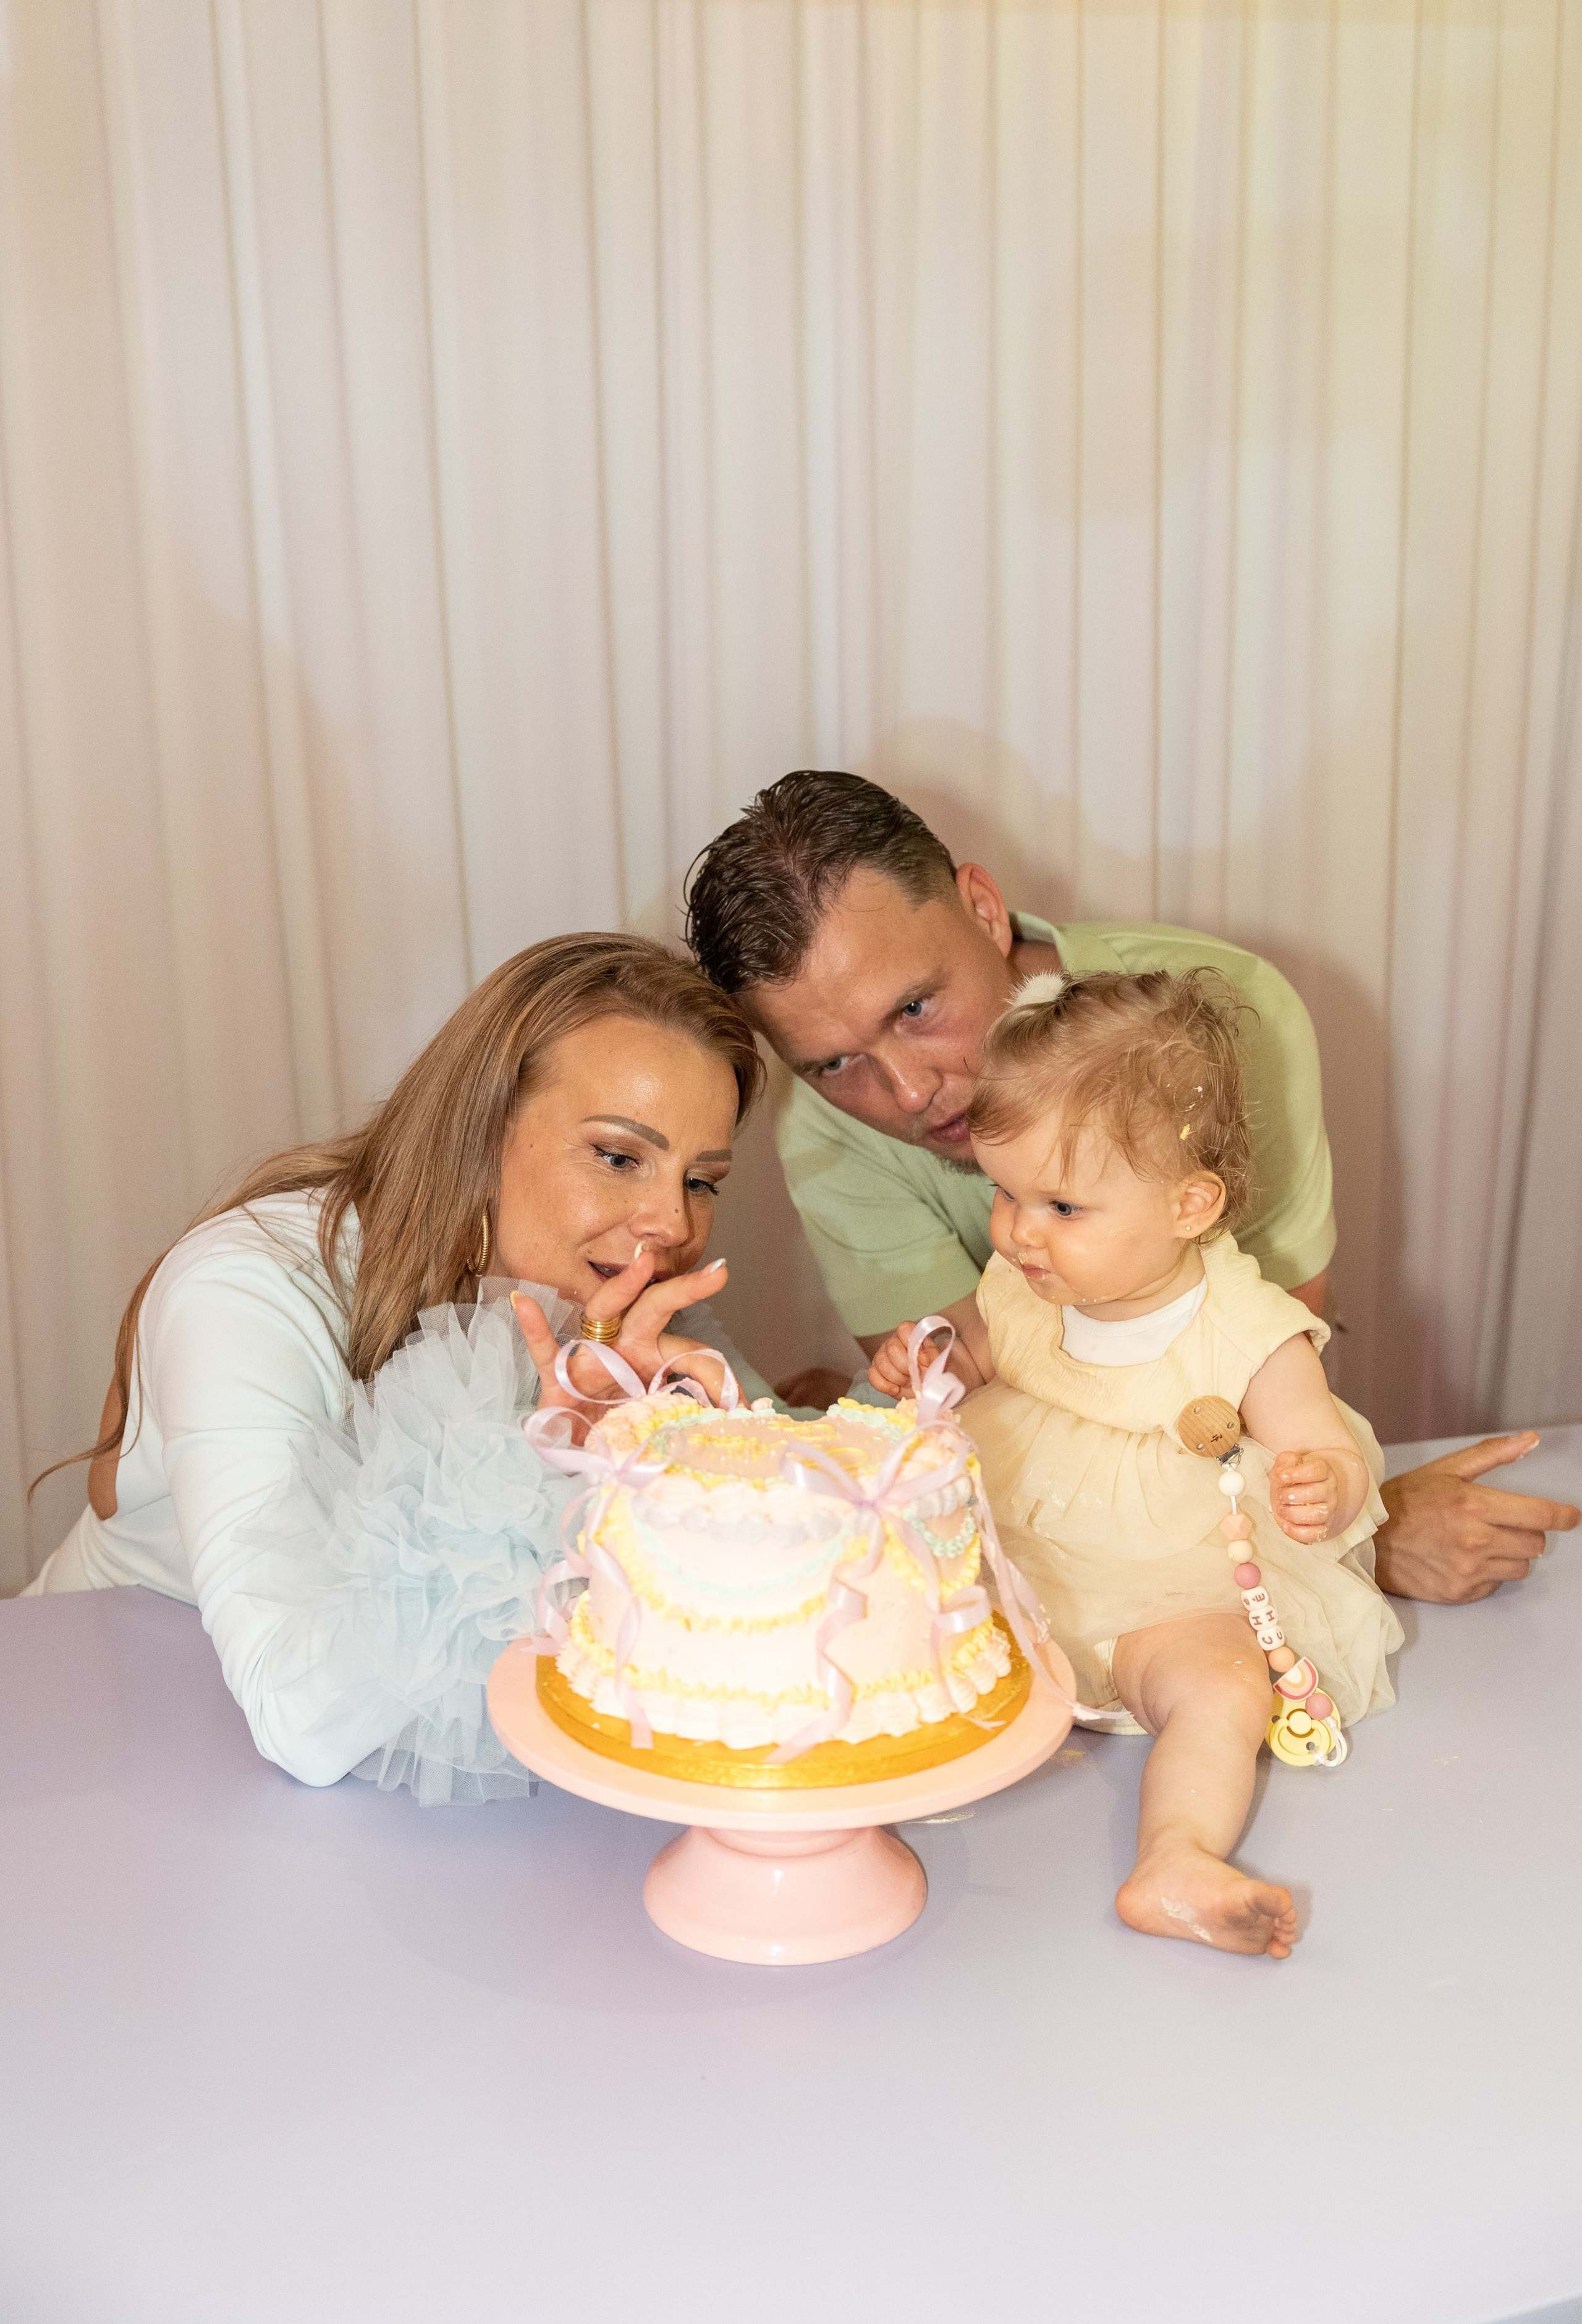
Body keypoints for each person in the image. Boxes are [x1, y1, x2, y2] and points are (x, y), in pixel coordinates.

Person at [685, 770, 1578, 1600]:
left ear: (985, 911)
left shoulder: (1228, 1016)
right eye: (833, 1063)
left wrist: (1345, 1519)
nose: (909, 1092)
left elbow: (1257, 1362)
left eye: (916, 1009)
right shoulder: (822, 1133)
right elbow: (974, 1418)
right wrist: (1375, 1540)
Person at [27, 935, 771, 1802]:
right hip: (108, 1723)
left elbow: (787, 1494)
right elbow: (300, 1718)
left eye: (701, 1181)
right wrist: (541, 1459)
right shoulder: (244, 1290)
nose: (672, 1225)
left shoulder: (612, 1289)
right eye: (618, 1157)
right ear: (480, 1130)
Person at [868, 968, 1403, 1958]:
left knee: (1225, 1689)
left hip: (1173, 1592)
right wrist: (928, 1357)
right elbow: (976, 1348)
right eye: (1004, 1192)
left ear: (1190, 1204)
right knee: (879, 1605)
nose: (1020, 1230)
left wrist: (1324, 1483)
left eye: (1063, 1206)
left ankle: (1177, 1856)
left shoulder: (1248, 1328)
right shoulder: (1026, 1280)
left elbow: (1322, 1442)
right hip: (1004, 1566)